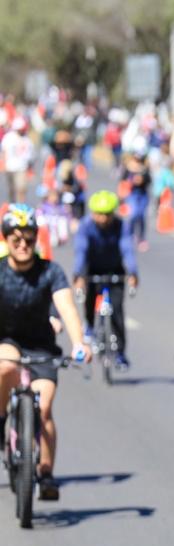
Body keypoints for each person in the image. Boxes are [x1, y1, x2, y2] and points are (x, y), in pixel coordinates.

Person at [0, 204, 91, 500]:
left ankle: (46, 472)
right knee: (5, 367)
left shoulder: (50, 272)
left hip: (42, 346)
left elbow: (66, 307)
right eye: (16, 239)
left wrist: (79, 343)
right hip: (8, 339)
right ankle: (2, 417)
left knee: (45, 407)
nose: (23, 244)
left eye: (28, 238)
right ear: (6, 240)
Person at [73, 191, 139, 371]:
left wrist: (132, 272)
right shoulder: (86, 226)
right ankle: (90, 327)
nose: (102, 218)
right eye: (99, 214)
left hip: (114, 269)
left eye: (107, 214)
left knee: (117, 311)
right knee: (89, 301)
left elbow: (127, 249)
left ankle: (120, 354)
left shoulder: (121, 226)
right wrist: (78, 275)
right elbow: (81, 250)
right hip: (92, 269)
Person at [122, 152, 151, 251]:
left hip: (142, 195)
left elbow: (149, 181)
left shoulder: (144, 170)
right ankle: (130, 234)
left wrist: (142, 179)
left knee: (141, 216)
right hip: (132, 194)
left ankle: (141, 238)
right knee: (133, 214)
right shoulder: (128, 169)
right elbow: (123, 181)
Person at [2, 118, 33, 204]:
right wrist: (4, 163)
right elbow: (4, 151)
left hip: (22, 168)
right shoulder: (9, 137)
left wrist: (30, 168)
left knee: (21, 188)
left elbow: (30, 154)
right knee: (11, 189)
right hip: (10, 167)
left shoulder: (26, 139)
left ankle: (20, 206)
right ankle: (12, 205)